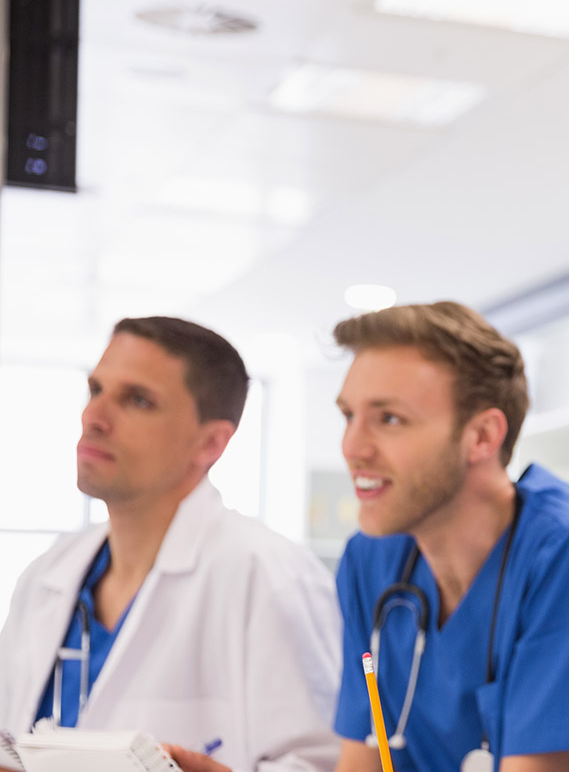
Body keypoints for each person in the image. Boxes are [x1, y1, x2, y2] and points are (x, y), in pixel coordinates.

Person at [329, 302, 569, 772]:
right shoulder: (371, 559)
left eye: (389, 419)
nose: (352, 448)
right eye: (348, 416)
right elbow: (361, 760)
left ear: (482, 435)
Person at [0, 317, 340, 772]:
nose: (94, 417)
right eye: (95, 390)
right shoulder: (48, 574)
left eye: (137, 400)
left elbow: (325, 763)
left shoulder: (270, 575)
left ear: (211, 442)